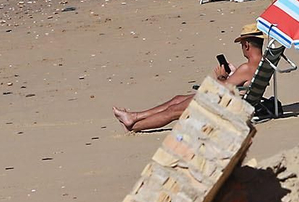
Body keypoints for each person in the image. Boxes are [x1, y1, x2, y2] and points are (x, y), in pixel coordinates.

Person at [112, 24, 266, 132]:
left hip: (223, 105)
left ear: (246, 45)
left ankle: (133, 125)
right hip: (230, 100)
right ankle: (134, 116)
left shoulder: (246, 67)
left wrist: (221, 77)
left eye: (241, 45)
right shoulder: (261, 64)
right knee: (177, 99)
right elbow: (242, 84)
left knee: (174, 110)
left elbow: (222, 89)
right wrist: (232, 74)